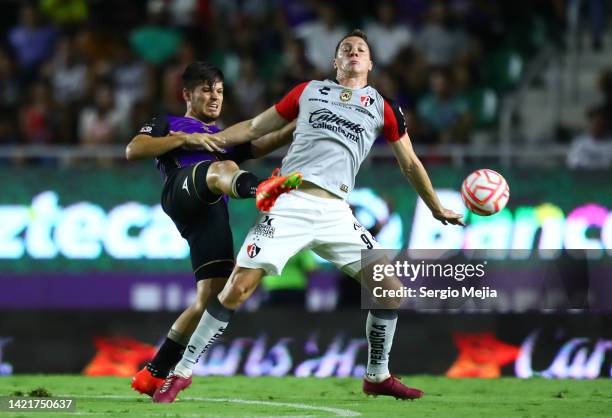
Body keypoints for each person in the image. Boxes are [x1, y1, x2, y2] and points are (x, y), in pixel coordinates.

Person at [153, 30, 464, 403]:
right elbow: (254, 128)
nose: (353, 52)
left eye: (360, 49)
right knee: (237, 288)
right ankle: (180, 373)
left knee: (389, 291)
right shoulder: (309, 91)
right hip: (289, 201)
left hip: (336, 212)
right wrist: (210, 140)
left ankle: (377, 375)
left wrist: (435, 207)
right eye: (345, 48)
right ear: (336, 61)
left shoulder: (384, 107)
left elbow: (410, 163)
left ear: (370, 63)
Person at [127, 61, 302, 397]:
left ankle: (153, 373)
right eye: (207, 90)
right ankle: (261, 189)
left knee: (210, 298)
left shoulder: (222, 136)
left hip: (210, 211)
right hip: (180, 189)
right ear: (187, 94)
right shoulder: (168, 122)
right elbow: (134, 149)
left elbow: (265, 142)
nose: (214, 97)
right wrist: (182, 140)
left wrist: (300, 122)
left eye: (219, 91)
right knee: (223, 167)